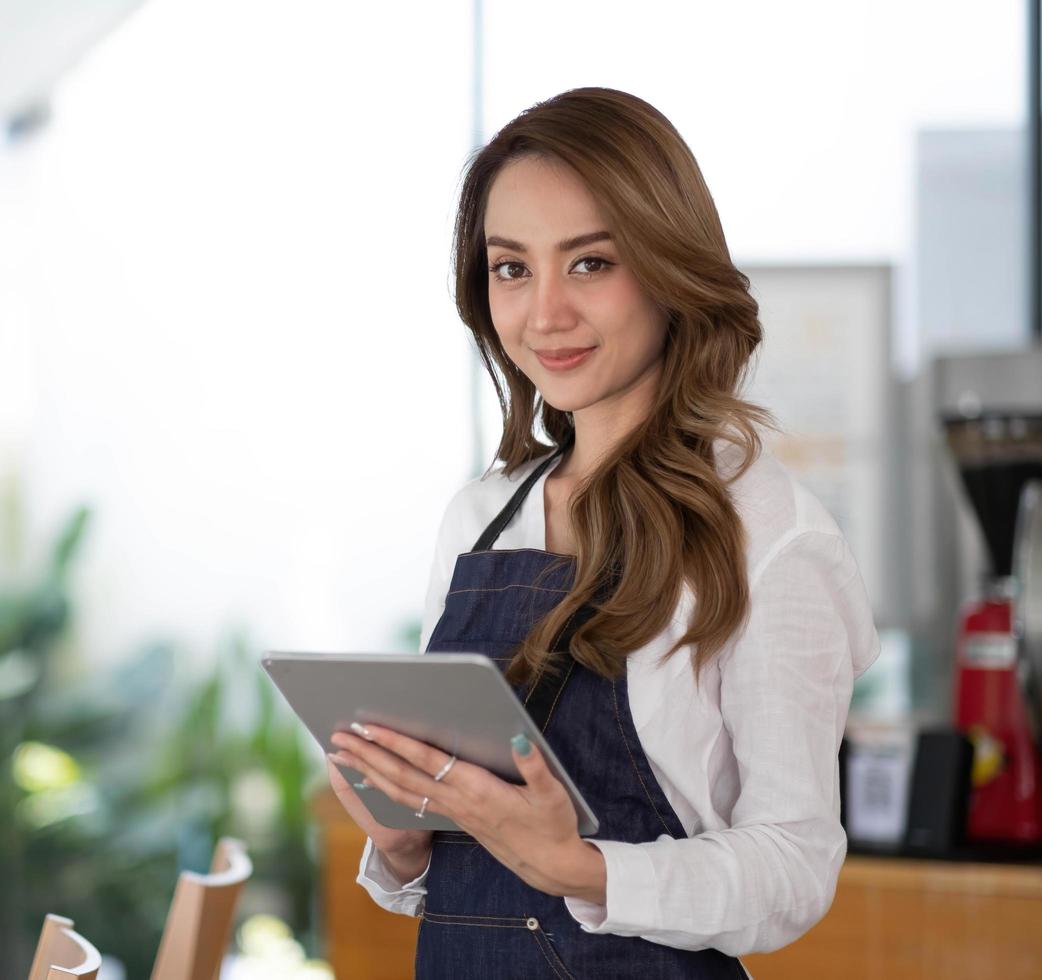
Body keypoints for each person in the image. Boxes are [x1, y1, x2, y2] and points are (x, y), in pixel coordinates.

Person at [324, 87, 880, 978]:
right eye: (511, 268)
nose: (543, 314)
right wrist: (401, 844)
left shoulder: (766, 534)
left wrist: (578, 868)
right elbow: (452, 872)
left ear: (669, 268)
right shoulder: (479, 519)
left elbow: (793, 863)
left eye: (589, 263)